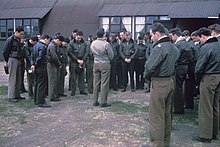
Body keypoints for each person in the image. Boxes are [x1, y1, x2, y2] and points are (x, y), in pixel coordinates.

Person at [144, 23, 179, 147]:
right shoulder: (174, 47)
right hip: (170, 81)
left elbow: (149, 67)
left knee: (156, 116)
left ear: (157, 34)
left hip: (159, 83)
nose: (151, 37)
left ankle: (157, 144)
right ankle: (165, 142)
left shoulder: (159, 48)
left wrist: (146, 77)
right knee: (167, 115)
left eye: (152, 35)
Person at [192, 27, 220, 143]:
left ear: (203, 36)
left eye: (200, 39)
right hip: (218, 76)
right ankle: (214, 133)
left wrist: (197, 81)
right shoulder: (218, 45)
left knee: (205, 107)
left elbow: (199, 67)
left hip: (208, 77)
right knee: (215, 106)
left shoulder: (206, 47)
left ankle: (205, 135)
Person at [170, 28, 193, 115]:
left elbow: (175, 58)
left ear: (175, 35)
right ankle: (181, 106)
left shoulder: (178, 45)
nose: (172, 38)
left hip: (179, 67)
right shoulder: (187, 44)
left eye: (172, 36)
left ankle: (178, 108)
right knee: (181, 87)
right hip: (185, 67)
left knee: (177, 88)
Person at [90, 28, 114, 107]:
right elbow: (111, 55)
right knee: (104, 83)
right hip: (105, 64)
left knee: (96, 82)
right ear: (103, 35)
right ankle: (103, 101)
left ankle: (95, 100)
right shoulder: (106, 44)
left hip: (96, 63)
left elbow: (91, 53)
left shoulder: (93, 43)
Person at [3, 26, 25, 102]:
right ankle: (11, 96)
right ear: (17, 32)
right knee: (13, 78)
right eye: (21, 34)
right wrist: (7, 61)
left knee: (18, 78)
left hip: (18, 59)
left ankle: (17, 94)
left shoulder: (19, 40)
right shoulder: (10, 39)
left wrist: (21, 44)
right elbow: (5, 51)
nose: (22, 35)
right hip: (12, 59)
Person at [31, 34, 51, 108]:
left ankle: (36, 99)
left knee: (37, 83)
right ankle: (41, 101)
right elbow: (40, 57)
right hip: (41, 67)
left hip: (36, 67)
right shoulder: (43, 47)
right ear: (46, 39)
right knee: (42, 84)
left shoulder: (35, 46)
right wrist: (36, 64)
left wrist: (33, 64)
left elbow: (32, 56)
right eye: (48, 40)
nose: (48, 42)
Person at [68, 31, 89, 96]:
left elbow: (87, 51)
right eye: (78, 38)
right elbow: (70, 52)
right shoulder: (71, 43)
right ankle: (73, 90)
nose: (79, 39)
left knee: (82, 76)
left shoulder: (84, 43)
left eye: (80, 38)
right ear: (76, 36)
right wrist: (77, 60)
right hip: (74, 61)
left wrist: (83, 60)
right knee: (73, 76)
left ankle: (82, 90)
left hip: (82, 60)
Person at [47, 35, 64, 102]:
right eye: (60, 42)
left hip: (54, 64)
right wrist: (59, 63)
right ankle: (52, 96)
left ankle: (54, 94)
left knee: (55, 80)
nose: (60, 44)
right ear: (57, 40)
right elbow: (54, 56)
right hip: (52, 64)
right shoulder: (52, 46)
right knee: (53, 80)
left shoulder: (54, 46)